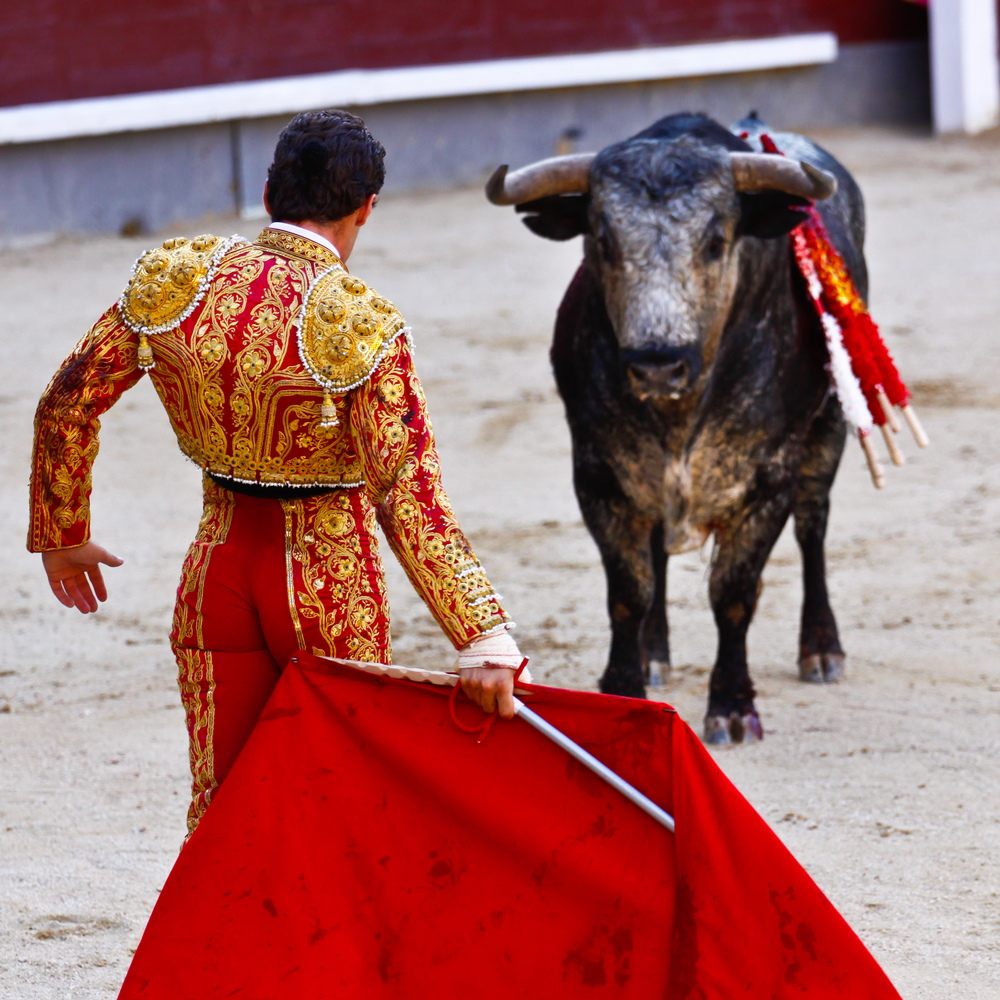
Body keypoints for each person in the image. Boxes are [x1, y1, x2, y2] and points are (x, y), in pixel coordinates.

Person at [28, 110, 525, 835]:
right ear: (367, 209)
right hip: (329, 576)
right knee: (344, 805)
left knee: (222, 809)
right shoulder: (361, 321)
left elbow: (65, 402)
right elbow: (405, 492)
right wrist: (481, 633)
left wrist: (62, 533)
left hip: (216, 571)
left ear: (268, 195)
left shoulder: (179, 276)